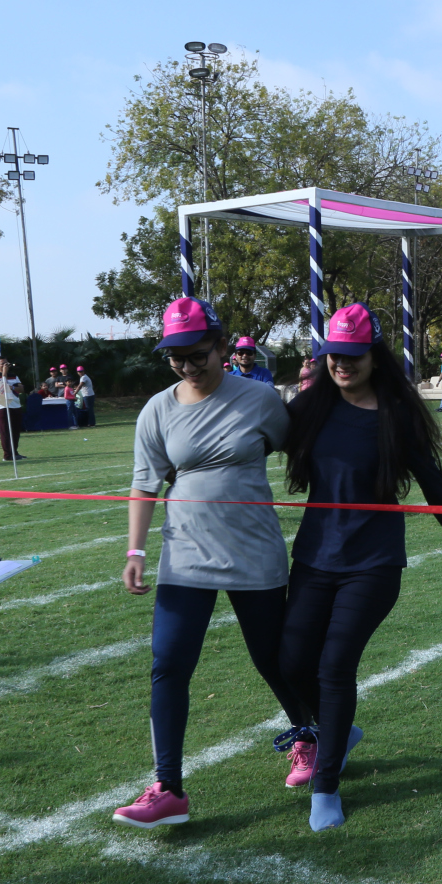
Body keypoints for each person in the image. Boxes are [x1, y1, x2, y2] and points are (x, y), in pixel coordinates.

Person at [278, 303, 442, 830]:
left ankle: (326, 786)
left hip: (372, 563)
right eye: (334, 354)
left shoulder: (396, 416)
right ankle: (340, 733)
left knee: (334, 666)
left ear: (374, 356)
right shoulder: (309, 407)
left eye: (353, 355)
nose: (341, 364)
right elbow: (251, 440)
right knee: (292, 663)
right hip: (314, 557)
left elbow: (433, 483)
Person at [112, 297, 303, 830]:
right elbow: (145, 483)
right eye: (176, 357)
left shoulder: (259, 399)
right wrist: (135, 551)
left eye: (197, 354)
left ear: (221, 346)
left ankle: (311, 737)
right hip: (186, 556)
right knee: (169, 665)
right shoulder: (157, 410)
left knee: (274, 660)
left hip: (254, 551)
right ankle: (167, 788)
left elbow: (302, 448)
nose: (187, 366)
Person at [0, 357, 28, 462]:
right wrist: (4, 373)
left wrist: (13, 387)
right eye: (2, 364)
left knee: (15, 430)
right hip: (3, 405)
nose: (5, 365)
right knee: (5, 431)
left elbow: (21, 389)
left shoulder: (14, 376)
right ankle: (7, 455)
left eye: (6, 363)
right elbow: (1, 387)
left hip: (15, 404)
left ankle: (14, 452)